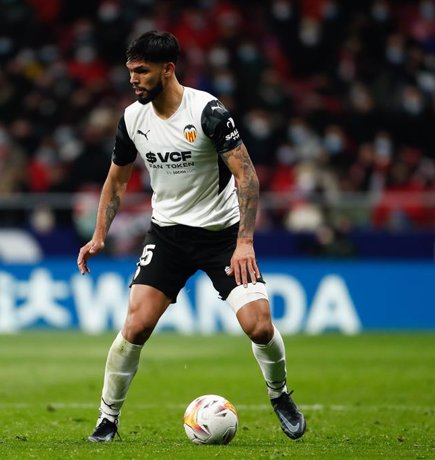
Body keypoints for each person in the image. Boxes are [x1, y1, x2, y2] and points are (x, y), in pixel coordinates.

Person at [77, 31, 306, 442]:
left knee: (259, 326)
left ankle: (280, 394)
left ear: (168, 69)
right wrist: (98, 236)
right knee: (135, 327)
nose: (134, 79)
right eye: (130, 71)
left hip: (222, 236)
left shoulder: (208, 113)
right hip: (167, 236)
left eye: (142, 71)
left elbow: (247, 176)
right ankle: (107, 419)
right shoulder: (133, 119)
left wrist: (245, 241)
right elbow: (116, 182)